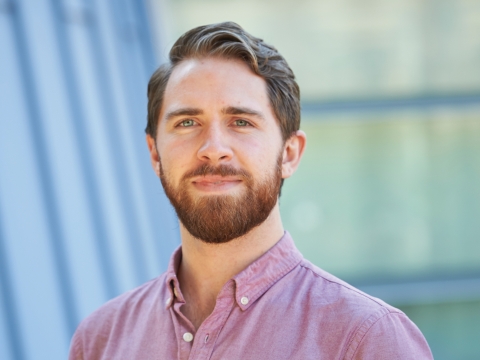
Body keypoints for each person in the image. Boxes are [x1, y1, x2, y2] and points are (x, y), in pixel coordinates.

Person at [69, 22, 433, 360]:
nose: (213, 148)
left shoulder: (366, 339)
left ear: (289, 154)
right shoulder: (101, 339)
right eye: (187, 122)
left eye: (241, 122)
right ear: (155, 154)